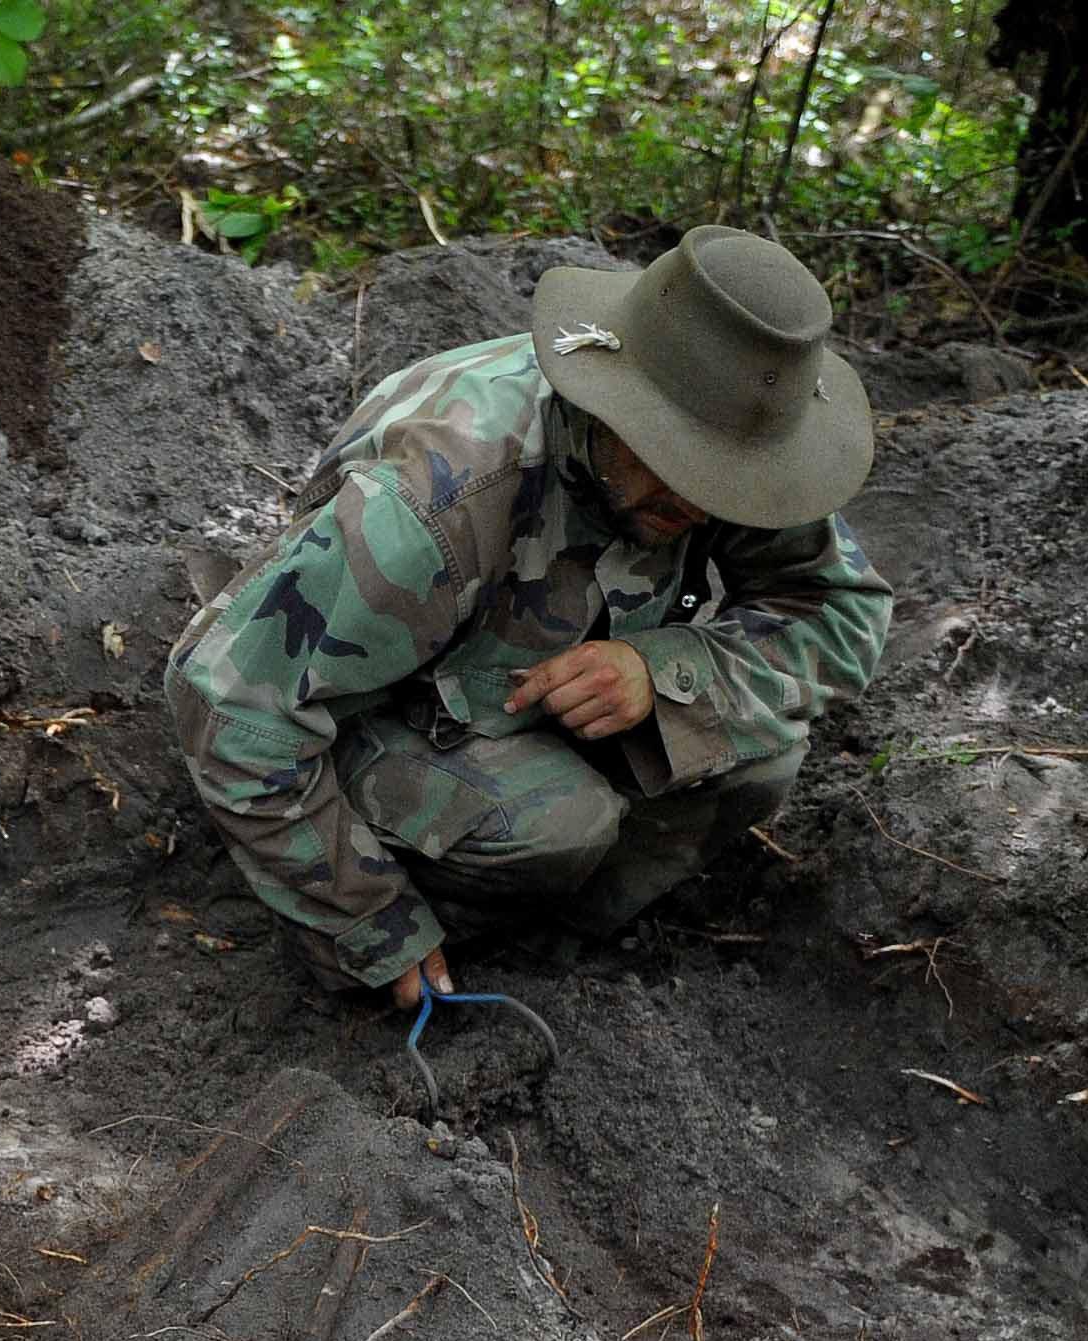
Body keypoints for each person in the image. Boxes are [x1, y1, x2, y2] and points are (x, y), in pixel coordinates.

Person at [167, 227, 895, 1005]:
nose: (703, 504)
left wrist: (663, 668)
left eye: (726, 482)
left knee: (759, 757)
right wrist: (369, 922)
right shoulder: (430, 503)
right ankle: (418, 943)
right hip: (380, 705)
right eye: (679, 465)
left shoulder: (737, 450)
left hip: (531, 676)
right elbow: (225, 700)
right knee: (555, 825)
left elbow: (842, 615)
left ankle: (551, 948)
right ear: (614, 407)